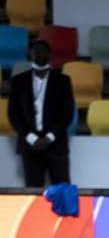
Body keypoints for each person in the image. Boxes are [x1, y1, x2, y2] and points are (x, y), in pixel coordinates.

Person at [7, 40, 75, 189]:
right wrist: (31, 138)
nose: (38, 53)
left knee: (63, 190)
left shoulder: (63, 81)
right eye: (35, 50)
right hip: (30, 146)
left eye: (43, 50)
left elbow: (67, 114)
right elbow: (13, 114)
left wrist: (49, 138)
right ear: (30, 55)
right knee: (32, 191)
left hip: (56, 144)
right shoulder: (18, 81)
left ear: (49, 55)